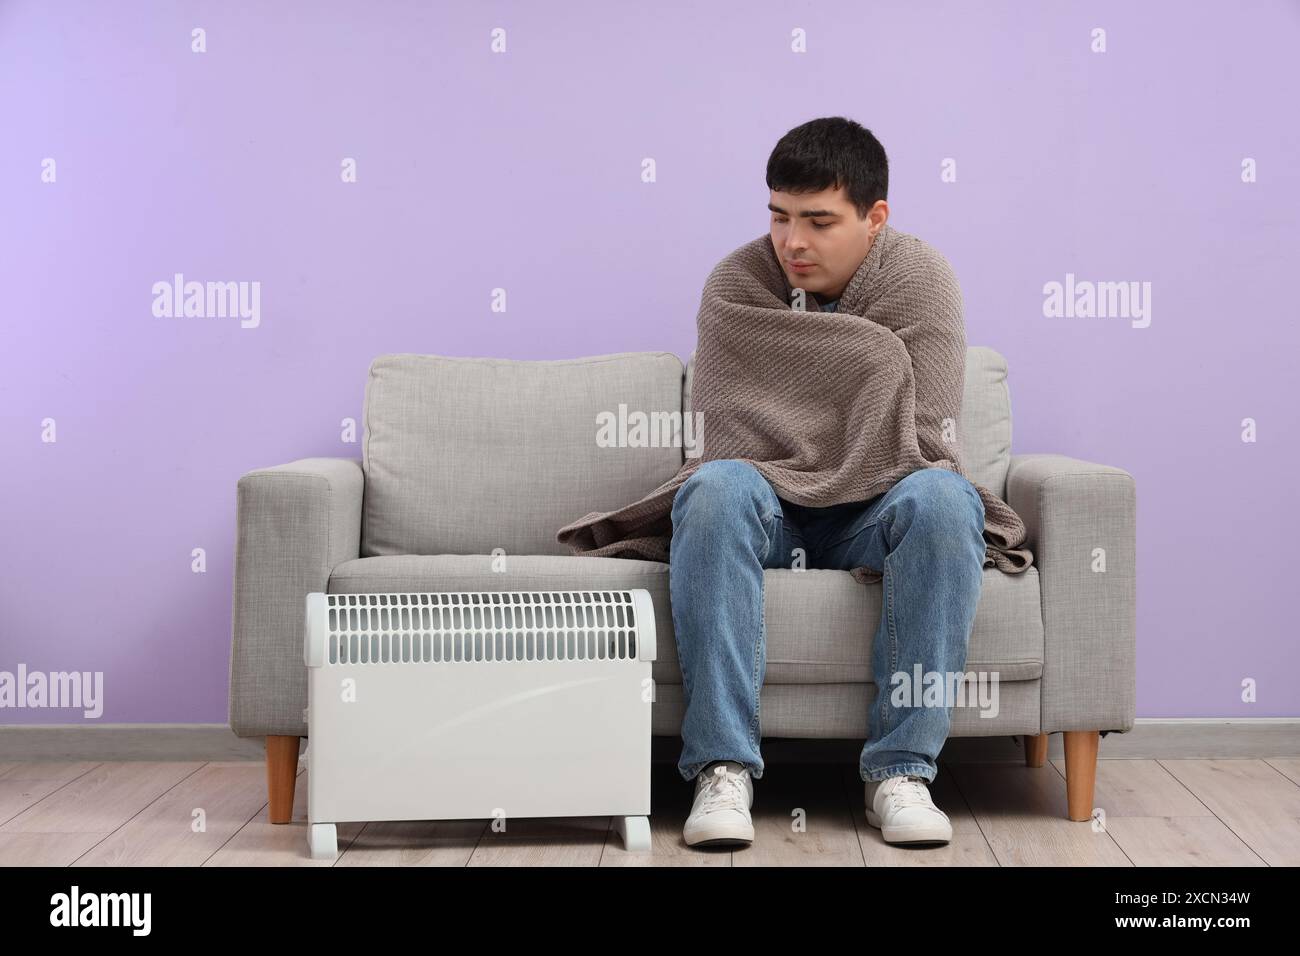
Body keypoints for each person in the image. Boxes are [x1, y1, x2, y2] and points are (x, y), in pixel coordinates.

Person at [676, 117, 984, 848]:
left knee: (944, 498)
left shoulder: (920, 279)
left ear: (875, 219)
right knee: (715, 488)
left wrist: (838, 392)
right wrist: (872, 362)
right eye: (780, 217)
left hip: (875, 507)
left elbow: (925, 437)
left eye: (819, 221)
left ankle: (901, 772)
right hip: (767, 509)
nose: (793, 243)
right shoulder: (737, 282)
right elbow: (725, 435)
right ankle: (722, 770)